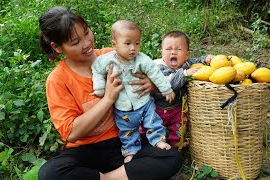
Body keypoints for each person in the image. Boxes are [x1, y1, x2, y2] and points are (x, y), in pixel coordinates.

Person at [37, 7, 181, 180]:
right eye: (75, 42)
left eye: (86, 33)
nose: (87, 43)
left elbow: (149, 70)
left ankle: (105, 177)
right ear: (57, 47)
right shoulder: (58, 80)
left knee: (171, 157)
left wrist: (151, 84)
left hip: (125, 139)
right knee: (49, 174)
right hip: (86, 151)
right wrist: (108, 98)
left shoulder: (112, 55)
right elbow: (72, 133)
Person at [91, 19, 175, 163]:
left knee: (153, 121)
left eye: (137, 43)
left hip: (144, 101)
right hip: (123, 106)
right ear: (114, 45)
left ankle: (157, 140)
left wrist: (166, 89)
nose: (133, 48)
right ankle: (130, 151)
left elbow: (155, 72)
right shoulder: (105, 61)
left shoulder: (142, 60)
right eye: (128, 43)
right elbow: (97, 70)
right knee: (127, 130)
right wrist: (99, 88)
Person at [151, 30, 213, 148]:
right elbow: (168, 83)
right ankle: (152, 141)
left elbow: (197, 62)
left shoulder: (186, 63)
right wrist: (185, 74)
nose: (173, 52)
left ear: (187, 54)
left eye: (179, 49)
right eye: (168, 49)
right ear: (162, 53)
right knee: (154, 125)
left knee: (180, 124)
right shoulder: (158, 68)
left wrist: (207, 59)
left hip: (178, 106)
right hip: (158, 107)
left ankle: (176, 141)